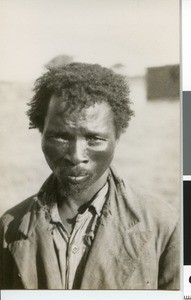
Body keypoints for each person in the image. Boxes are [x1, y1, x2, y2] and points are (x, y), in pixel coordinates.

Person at [0, 63, 179, 290]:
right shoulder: (8, 227)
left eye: (94, 139)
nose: (76, 156)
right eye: (60, 137)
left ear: (117, 136)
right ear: (40, 132)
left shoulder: (166, 225)